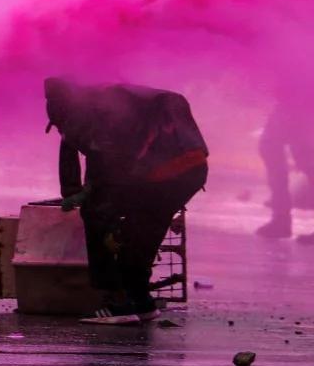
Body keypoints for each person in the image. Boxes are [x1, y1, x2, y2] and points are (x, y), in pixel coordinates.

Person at [43, 78, 208, 325]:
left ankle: (121, 300)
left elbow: (104, 158)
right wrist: (78, 190)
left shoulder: (89, 111)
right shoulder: (115, 99)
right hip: (191, 169)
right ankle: (139, 301)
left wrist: (84, 195)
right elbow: (95, 154)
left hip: (163, 172)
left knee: (103, 217)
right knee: (141, 228)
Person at [255, 84, 314, 245]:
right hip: (301, 99)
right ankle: (283, 218)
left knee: (307, 158)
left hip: (301, 99)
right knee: (281, 149)